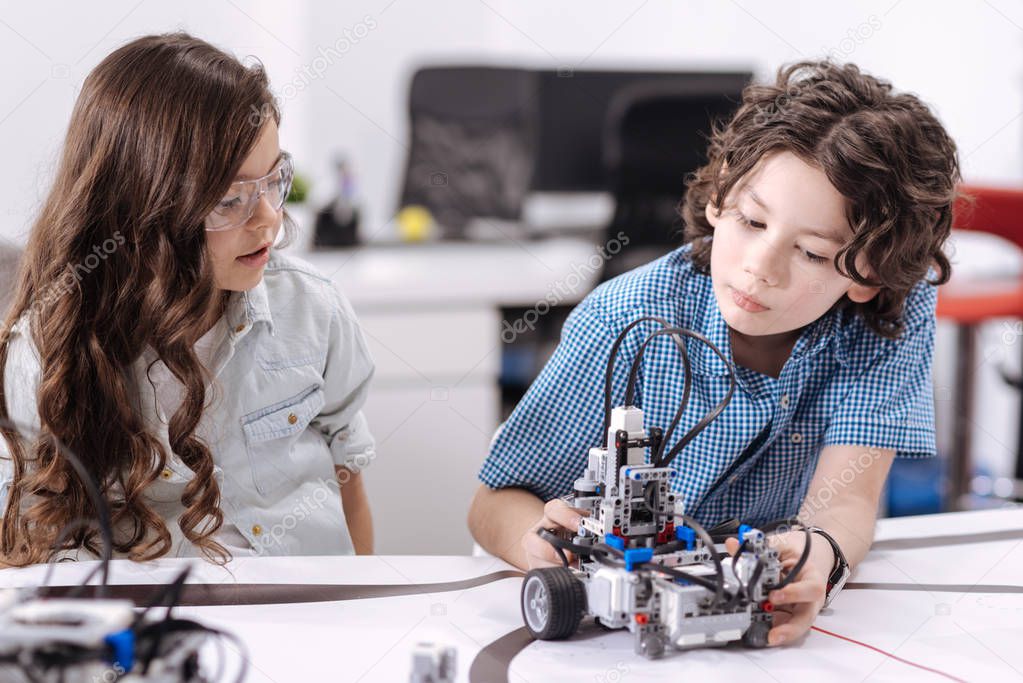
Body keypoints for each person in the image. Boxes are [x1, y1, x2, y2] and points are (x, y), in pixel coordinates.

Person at [469, 60, 960, 646]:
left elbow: (846, 500)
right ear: (722, 194)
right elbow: (492, 502)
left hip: (735, 602)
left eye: (810, 253)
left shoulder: (887, 323)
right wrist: (543, 544)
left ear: (870, 274)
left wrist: (820, 557)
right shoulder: (623, 318)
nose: (760, 268)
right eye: (752, 221)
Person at [0, 33, 375, 565]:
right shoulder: (45, 352)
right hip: (154, 631)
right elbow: (24, 546)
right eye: (229, 200)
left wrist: (361, 606)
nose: (269, 217)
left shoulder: (313, 310)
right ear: (138, 215)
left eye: (273, 181)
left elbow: (348, 474)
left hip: (311, 615)